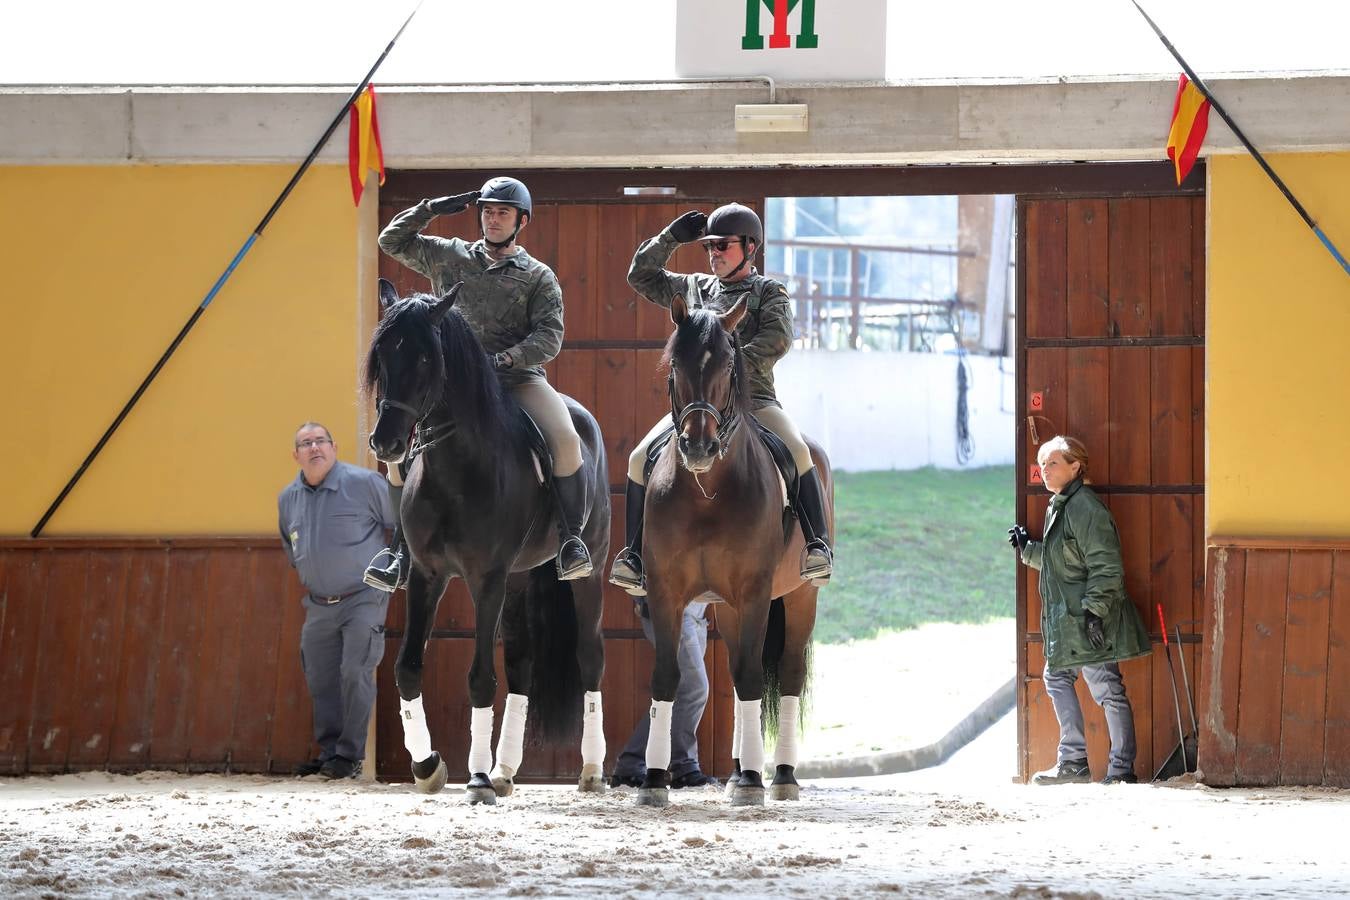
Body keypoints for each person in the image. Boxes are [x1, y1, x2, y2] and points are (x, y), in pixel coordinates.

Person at [364, 176, 592, 590]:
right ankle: (399, 549)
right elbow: (390, 241)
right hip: (452, 386)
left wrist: (504, 358)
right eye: (487, 211)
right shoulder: (447, 255)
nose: (493, 219)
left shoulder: (538, 276)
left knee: (565, 437)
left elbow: (549, 336)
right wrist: (431, 208)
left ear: (521, 220)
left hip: (515, 378)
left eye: (502, 212)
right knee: (398, 452)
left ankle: (572, 540)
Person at [609, 204, 832, 595]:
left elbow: (778, 339)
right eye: (709, 246)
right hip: (700, 406)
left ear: (750, 248)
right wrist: (670, 238)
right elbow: (640, 276)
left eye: (723, 246)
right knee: (638, 457)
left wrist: (727, 362)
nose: (714, 253)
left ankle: (817, 546)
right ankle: (634, 556)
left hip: (754, 400)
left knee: (798, 450)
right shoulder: (694, 288)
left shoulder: (768, 292)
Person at [1009, 435, 1151, 785]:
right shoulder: (1061, 506)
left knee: (1105, 687)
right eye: (1042, 464)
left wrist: (1094, 613)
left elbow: (1107, 566)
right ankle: (1081, 764)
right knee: (1061, 679)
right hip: (1071, 620)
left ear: (1076, 466)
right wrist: (1028, 549)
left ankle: (1116, 770)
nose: (1045, 469)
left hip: (1088, 619)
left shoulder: (1085, 507)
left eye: (1053, 462)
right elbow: (1061, 562)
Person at [277, 422, 396, 780]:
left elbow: (402, 522)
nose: (314, 448)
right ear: (295, 454)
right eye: (305, 443)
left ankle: (348, 756)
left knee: (355, 671)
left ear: (334, 447)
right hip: (317, 604)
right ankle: (330, 753)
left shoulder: (364, 484)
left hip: (364, 596)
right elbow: (290, 546)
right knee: (321, 678)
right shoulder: (288, 498)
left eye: (321, 441)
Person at [609, 599, 718, 789]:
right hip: (675, 612)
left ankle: (630, 765)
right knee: (695, 689)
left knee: (674, 695)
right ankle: (683, 766)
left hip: (697, 614)